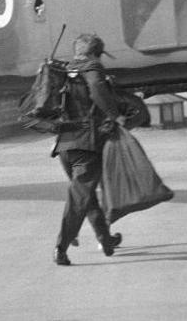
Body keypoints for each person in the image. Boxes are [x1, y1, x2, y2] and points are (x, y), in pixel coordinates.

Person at [51, 33, 124, 266]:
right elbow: (96, 88)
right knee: (79, 198)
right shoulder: (92, 67)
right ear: (94, 53)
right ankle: (61, 247)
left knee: (86, 196)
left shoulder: (64, 71)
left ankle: (106, 239)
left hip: (64, 144)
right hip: (87, 143)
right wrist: (116, 115)